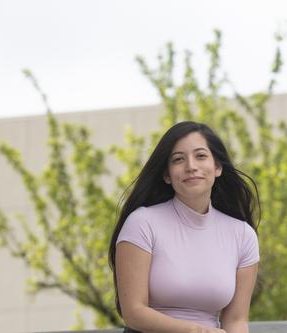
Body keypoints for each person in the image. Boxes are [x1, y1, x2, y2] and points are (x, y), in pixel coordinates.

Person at [108, 121, 260, 333]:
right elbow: (134, 312)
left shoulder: (243, 235)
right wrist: (195, 331)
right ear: (167, 175)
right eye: (178, 159)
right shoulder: (142, 223)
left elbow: (235, 320)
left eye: (200, 156)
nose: (191, 166)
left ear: (217, 167)